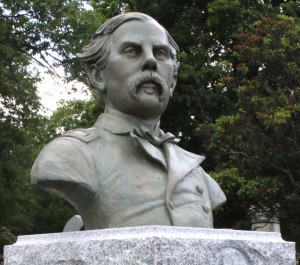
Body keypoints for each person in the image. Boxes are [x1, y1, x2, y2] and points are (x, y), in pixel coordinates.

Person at [31, 12, 226, 230]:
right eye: (132, 51)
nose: (151, 61)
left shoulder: (195, 172)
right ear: (98, 76)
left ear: (172, 80)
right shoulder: (69, 155)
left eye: (160, 53)